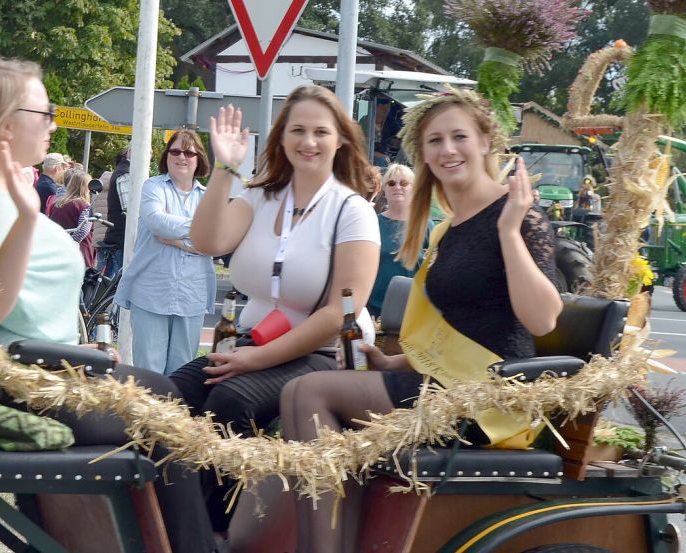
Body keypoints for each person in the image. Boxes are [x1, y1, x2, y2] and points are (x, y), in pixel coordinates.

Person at [0, 58, 218, 553]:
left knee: (167, 393)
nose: (53, 122)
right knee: (171, 409)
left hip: (40, 373)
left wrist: (78, 348)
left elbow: (16, 310)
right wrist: (27, 218)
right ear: (4, 122)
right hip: (17, 386)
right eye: (44, 112)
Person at [278, 88, 562, 553]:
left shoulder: (517, 215)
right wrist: (393, 365)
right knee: (304, 391)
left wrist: (510, 230)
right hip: (443, 387)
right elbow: (455, 324)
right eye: (435, 141)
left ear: (486, 141)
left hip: (490, 398)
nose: (447, 150)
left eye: (459, 137)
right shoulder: (447, 227)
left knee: (308, 393)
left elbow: (544, 319)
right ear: (423, 155)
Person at [171, 85, 380, 538]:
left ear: (340, 139)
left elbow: (339, 312)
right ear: (281, 138)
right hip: (257, 340)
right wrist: (225, 167)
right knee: (171, 395)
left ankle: (218, 533)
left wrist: (254, 360)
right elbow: (207, 242)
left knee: (230, 401)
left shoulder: (352, 210)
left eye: (320, 132)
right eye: (297, 130)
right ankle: (174, 525)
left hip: (327, 351)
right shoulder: (260, 197)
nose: (308, 141)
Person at [113, 130, 215, 375]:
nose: (182, 157)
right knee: (149, 374)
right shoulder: (153, 186)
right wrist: (200, 230)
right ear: (166, 156)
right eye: (175, 151)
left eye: (189, 152)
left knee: (182, 374)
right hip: (151, 292)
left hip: (192, 295)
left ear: (199, 158)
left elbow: (216, 240)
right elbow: (157, 222)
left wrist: (179, 241)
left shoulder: (208, 197)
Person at [367, 163, 434, 317]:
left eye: (404, 183)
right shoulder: (371, 222)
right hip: (375, 310)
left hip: (414, 310)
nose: (397, 187)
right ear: (384, 188)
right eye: (391, 183)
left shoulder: (425, 225)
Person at [49, 168, 96, 269]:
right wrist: (71, 245)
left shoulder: (57, 204)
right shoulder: (84, 206)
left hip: (58, 250)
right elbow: (82, 231)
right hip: (78, 253)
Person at [99, 148, 129, 277]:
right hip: (120, 239)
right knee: (114, 285)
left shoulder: (120, 172)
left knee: (105, 283)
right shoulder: (125, 174)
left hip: (111, 236)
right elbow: (129, 211)